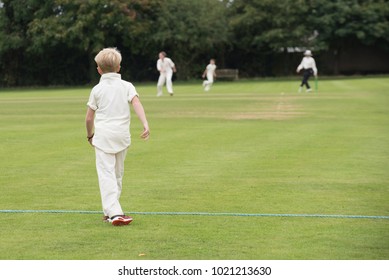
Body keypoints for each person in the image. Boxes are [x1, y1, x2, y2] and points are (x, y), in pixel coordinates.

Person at [85, 47, 150, 226]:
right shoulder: (127, 86)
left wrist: (89, 135)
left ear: (99, 69)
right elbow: (136, 102)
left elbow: (89, 117)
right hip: (121, 136)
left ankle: (113, 213)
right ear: (119, 67)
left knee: (107, 174)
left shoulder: (97, 89)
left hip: (104, 136)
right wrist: (145, 123)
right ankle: (112, 211)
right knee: (117, 174)